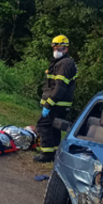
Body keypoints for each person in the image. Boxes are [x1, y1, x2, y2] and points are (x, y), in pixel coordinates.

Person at [34, 35, 77, 163]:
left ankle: (46, 154)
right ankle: (54, 153)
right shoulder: (60, 63)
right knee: (54, 127)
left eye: (60, 48)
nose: (56, 50)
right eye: (55, 48)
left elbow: (60, 88)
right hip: (59, 103)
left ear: (66, 49)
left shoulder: (65, 64)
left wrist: (48, 104)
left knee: (42, 125)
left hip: (57, 103)